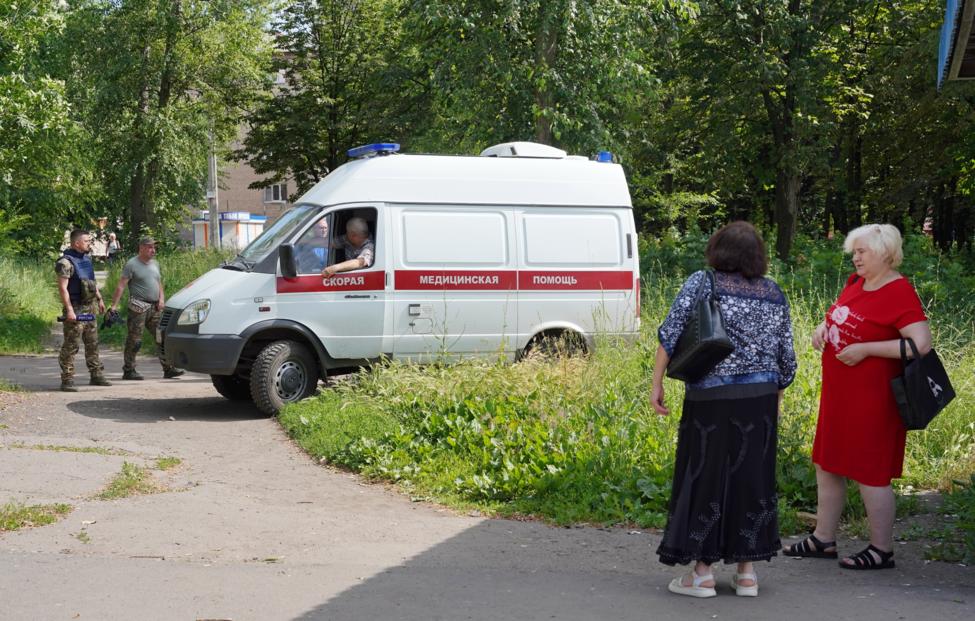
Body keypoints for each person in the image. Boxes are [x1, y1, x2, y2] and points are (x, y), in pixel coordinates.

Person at [650, 221, 797, 598]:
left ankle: (702, 575)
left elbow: (671, 333)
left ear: (717, 250)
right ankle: (747, 574)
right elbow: (787, 359)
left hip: (711, 399)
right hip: (760, 398)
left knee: (705, 476)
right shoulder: (774, 293)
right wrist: (775, 398)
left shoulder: (704, 281)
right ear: (758, 256)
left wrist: (657, 385)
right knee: (752, 479)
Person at [783, 224, 930, 570]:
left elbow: (920, 344)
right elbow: (842, 314)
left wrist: (865, 349)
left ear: (885, 253)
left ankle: (882, 550)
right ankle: (823, 539)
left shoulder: (899, 291)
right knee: (828, 463)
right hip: (840, 396)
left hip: (873, 400)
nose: (855, 257)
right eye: (854, 251)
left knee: (870, 471)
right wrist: (824, 328)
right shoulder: (856, 283)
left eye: (862, 251)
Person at [108, 236, 185, 380]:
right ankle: (129, 370)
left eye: (154, 247)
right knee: (135, 340)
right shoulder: (132, 264)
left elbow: (158, 282)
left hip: (155, 307)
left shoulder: (155, 264)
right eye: (150, 247)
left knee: (161, 337)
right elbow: (121, 285)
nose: (153, 250)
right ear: (141, 248)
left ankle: (168, 368)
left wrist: (162, 299)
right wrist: (114, 306)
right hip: (138, 307)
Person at [56, 229, 112, 392]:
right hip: (76, 308)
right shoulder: (65, 263)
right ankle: (67, 379)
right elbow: (62, 289)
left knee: (92, 343)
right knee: (71, 345)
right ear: (76, 243)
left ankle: (96, 375)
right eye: (86, 241)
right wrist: (70, 311)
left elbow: (91, 282)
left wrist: (100, 299)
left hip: (90, 308)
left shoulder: (86, 260)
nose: (90, 243)